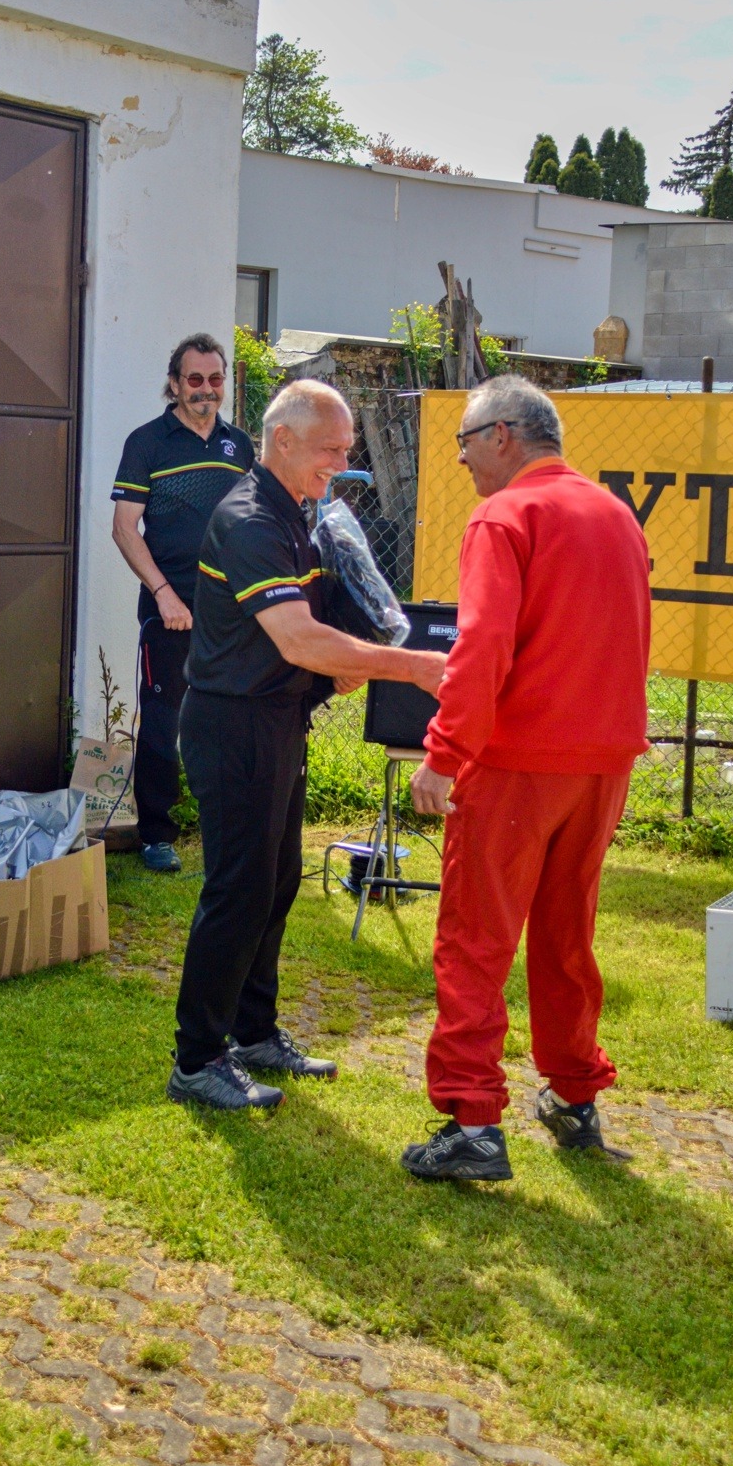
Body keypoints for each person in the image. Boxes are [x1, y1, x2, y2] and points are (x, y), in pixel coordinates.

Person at [167, 380, 448, 1111]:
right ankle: (197, 1060)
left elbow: (312, 633)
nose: (344, 463)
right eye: (332, 449)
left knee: (277, 881)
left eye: (348, 449)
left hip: (279, 720)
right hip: (234, 727)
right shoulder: (249, 519)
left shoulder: (299, 511)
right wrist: (413, 666)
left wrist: (340, 667)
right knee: (238, 890)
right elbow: (296, 638)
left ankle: (254, 1032)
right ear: (283, 440)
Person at [403, 374, 651, 1182]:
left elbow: (481, 648)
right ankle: (575, 1097)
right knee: (566, 936)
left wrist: (443, 754)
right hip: (602, 762)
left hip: (517, 763)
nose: (462, 459)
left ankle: (473, 1121)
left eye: (466, 441)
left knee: (474, 940)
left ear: (503, 436)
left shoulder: (504, 516)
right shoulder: (615, 514)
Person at [112, 334, 255, 873]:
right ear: (174, 383)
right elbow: (124, 529)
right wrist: (163, 593)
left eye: (215, 379)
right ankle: (156, 834)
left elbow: (251, 522)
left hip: (230, 609)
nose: (206, 390)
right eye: (194, 379)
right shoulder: (147, 443)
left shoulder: (239, 446)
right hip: (170, 608)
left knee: (232, 718)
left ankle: (230, 821)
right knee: (162, 720)